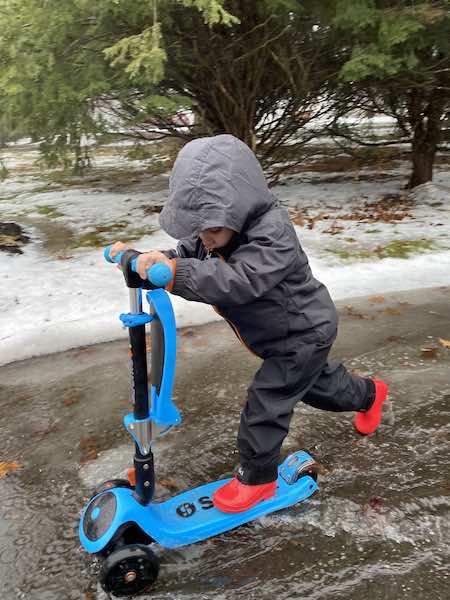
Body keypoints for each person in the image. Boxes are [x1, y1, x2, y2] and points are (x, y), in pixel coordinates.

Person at [110, 134, 389, 514]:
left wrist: (176, 273)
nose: (205, 239)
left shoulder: (273, 234)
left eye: (211, 229)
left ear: (238, 208)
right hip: (280, 335)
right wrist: (148, 261)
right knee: (317, 388)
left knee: (268, 400)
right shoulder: (215, 232)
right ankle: (370, 395)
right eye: (199, 230)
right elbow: (185, 257)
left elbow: (238, 281)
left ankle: (258, 480)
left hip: (304, 332)